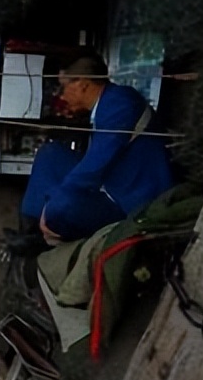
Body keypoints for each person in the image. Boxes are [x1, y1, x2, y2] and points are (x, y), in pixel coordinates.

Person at [12, 53, 174, 253]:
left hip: (130, 202)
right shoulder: (108, 102)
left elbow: (96, 164)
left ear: (82, 84)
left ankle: (45, 239)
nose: (60, 96)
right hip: (113, 183)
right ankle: (31, 232)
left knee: (61, 206)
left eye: (63, 87)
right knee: (50, 154)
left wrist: (56, 199)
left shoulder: (119, 103)